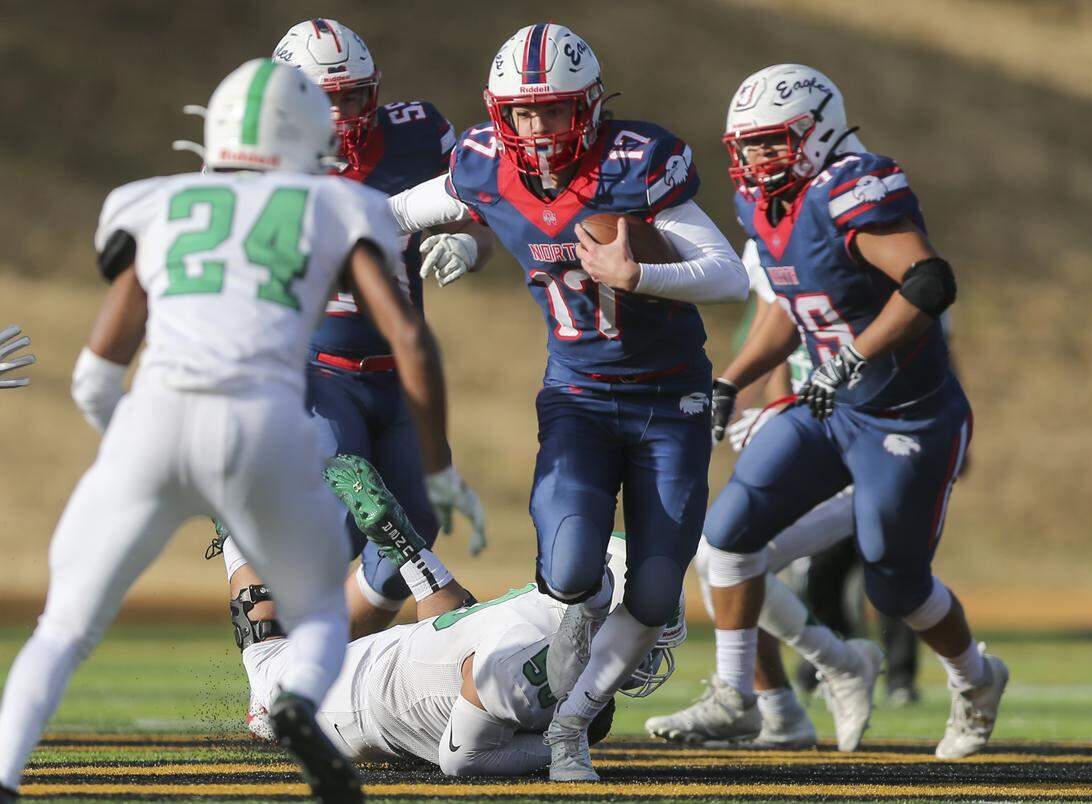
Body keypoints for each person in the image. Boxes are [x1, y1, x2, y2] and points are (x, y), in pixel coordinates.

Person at [0, 58, 455, 802]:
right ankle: (295, 706)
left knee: (64, 628)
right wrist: (438, 466)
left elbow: (91, 377)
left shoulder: (153, 203)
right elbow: (406, 334)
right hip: (262, 426)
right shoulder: (340, 208)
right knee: (311, 622)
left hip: (154, 422)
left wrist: (131, 452)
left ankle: (4, 775)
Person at [386, 23, 748, 780]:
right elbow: (393, 213)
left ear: (587, 107)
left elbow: (727, 275)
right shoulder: (484, 166)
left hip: (669, 401)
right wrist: (458, 242)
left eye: (553, 111)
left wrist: (638, 273)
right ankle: (568, 689)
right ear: (500, 114)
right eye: (523, 113)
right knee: (575, 570)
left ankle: (572, 725)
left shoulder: (635, 160)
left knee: (652, 598)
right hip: (579, 397)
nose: (538, 128)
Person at [661, 64, 1007, 761]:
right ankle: (739, 695)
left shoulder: (852, 184)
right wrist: (732, 379)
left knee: (894, 582)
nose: (757, 159)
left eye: (771, 142)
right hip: (830, 408)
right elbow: (791, 311)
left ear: (816, 133)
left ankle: (975, 677)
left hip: (907, 416)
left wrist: (855, 355)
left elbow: (929, 280)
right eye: (748, 145)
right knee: (726, 537)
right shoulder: (766, 205)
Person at [206, 19, 492, 650]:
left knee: (404, 543)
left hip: (397, 372)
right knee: (338, 521)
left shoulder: (421, 135)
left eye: (353, 95)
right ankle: (248, 566)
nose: (339, 113)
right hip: (315, 369)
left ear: (375, 92)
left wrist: (468, 247)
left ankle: (316, 666)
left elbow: (491, 212)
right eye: (322, 97)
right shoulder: (253, 162)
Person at [232, 454, 683, 776]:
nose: (649, 646)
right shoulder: (531, 666)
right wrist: (567, 740)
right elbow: (462, 759)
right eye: (647, 627)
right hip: (339, 705)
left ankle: (403, 545)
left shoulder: (552, 610)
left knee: (457, 634)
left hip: (411, 656)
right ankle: (233, 517)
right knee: (266, 665)